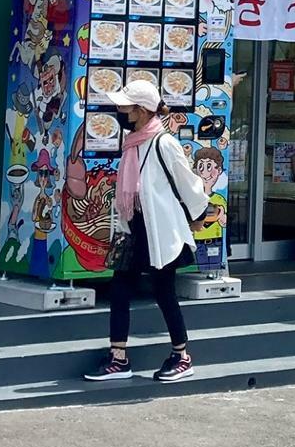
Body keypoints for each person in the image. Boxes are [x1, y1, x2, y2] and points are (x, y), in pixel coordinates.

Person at [82, 80, 204, 384]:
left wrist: (200, 214)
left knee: (164, 292)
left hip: (161, 231)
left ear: (141, 110)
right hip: (135, 228)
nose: (120, 109)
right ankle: (118, 357)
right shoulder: (133, 142)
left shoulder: (163, 143)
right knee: (120, 288)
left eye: (126, 105)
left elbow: (188, 184)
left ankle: (182, 356)